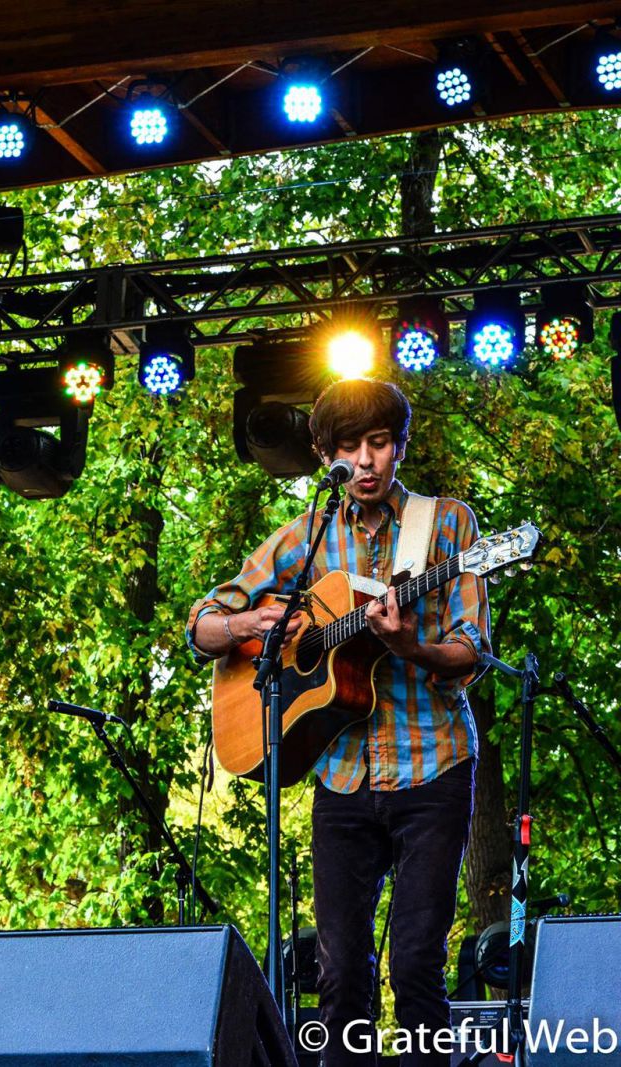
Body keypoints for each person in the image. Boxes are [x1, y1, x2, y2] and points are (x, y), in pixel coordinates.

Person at [187, 378, 489, 1067]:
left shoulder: (446, 526)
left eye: (379, 443)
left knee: (415, 964)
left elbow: (471, 651)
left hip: (432, 764)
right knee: (339, 972)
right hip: (342, 774)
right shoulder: (306, 537)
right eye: (349, 447)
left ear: (400, 446)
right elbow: (202, 623)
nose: (365, 461)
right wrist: (248, 623)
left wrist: (409, 645)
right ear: (326, 456)